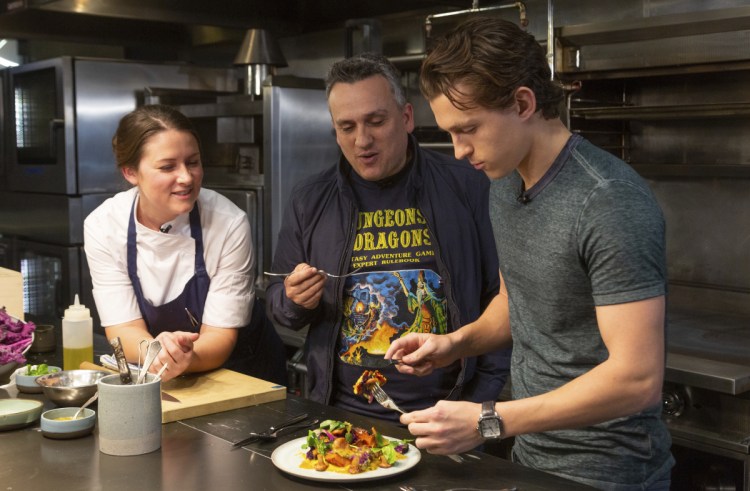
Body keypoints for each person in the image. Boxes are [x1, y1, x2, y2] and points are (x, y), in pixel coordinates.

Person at [385, 17, 674, 491]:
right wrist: (455, 343)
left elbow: (637, 379)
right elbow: (516, 300)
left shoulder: (608, 201)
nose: (459, 151)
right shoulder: (505, 182)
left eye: (469, 129)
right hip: (532, 456)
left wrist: (487, 421)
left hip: (608, 473)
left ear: (523, 103)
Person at [265, 53, 510, 421]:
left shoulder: (468, 186)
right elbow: (279, 308)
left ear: (407, 117)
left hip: (450, 412)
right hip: (341, 413)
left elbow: (503, 300)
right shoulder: (310, 200)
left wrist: (478, 403)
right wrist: (293, 299)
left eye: (376, 121)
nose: (362, 140)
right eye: (346, 127)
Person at [84, 104, 287, 385]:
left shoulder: (228, 223)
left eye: (192, 162)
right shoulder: (104, 226)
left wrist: (183, 357)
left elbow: (220, 335)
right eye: (168, 166)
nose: (186, 178)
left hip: (242, 373)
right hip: (162, 376)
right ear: (131, 172)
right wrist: (158, 353)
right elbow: (124, 327)